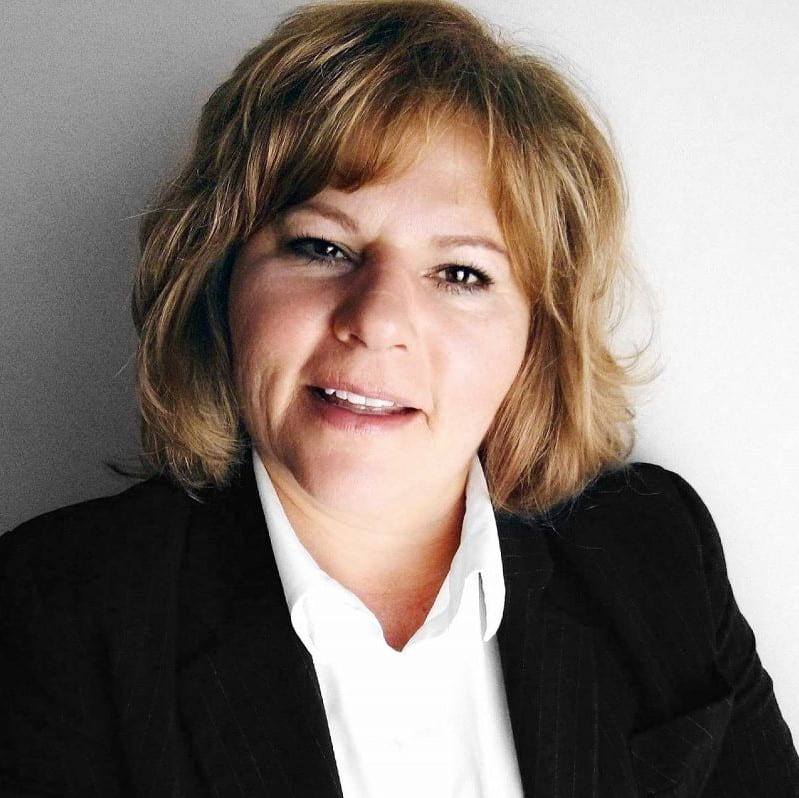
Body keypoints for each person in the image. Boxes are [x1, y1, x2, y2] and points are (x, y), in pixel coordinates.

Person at [1, 0, 797, 795]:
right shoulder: (54, 611)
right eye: (323, 246)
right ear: (220, 279)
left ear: (537, 335)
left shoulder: (654, 549)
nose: (378, 321)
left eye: (460, 273)